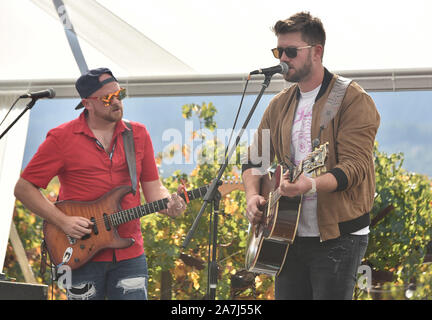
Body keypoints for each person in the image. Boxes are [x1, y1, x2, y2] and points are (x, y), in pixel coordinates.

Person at [14, 67, 186, 300]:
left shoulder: (138, 134)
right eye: (108, 98)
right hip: (77, 253)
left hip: (130, 254)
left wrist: (170, 205)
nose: (117, 102)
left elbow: (154, 190)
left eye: (120, 95)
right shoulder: (61, 138)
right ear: (87, 103)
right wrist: (62, 221)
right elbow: (24, 188)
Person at [242, 12, 380, 299]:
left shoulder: (352, 99)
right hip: (285, 233)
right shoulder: (278, 104)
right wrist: (252, 196)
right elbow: (254, 160)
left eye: (290, 52)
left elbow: (355, 167)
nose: (282, 58)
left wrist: (312, 184)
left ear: (317, 52)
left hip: (338, 236)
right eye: (278, 51)